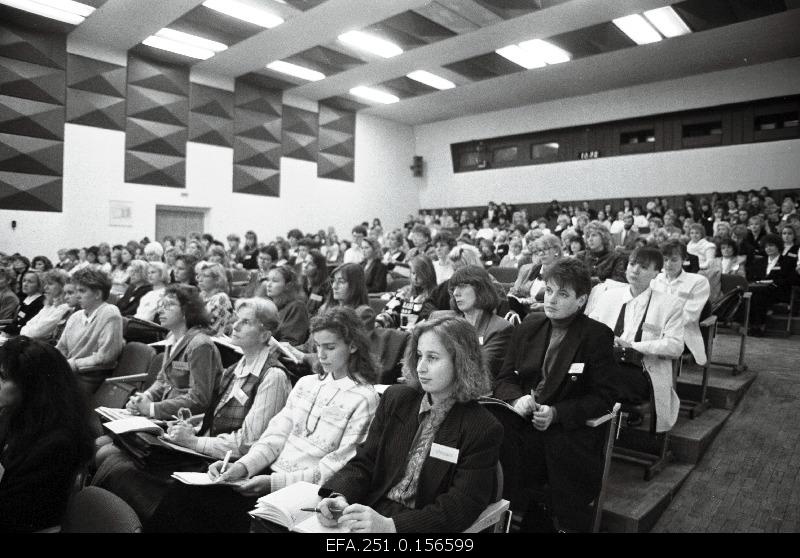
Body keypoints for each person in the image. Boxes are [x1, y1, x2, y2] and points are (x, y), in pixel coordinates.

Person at [146, 306, 380, 532]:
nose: (321, 355)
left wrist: (271, 483)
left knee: (203, 509)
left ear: (353, 346)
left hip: (303, 493)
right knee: (183, 492)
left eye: (330, 347)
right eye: (318, 346)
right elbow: (274, 437)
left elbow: (335, 470)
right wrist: (242, 466)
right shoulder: (307, 383)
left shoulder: (364, 398)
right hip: (269, 475)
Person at [92, 298, 292, 521]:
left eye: (246, 322)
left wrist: (193, 441)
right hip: (207, 452)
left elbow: (247, 444)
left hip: (227, 468)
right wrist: (189, 427)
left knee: (121, 470)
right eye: (236, 319)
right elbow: (214, 416)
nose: (234, 326)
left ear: (265, 335)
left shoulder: (273, 377)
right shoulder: (237, 367)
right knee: (116, 461)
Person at [317, 315, 503, 533]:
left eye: (432, 358)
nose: (421, 367)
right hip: (372, 510)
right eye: (419, 355)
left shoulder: (482, 427)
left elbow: (460, 505)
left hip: (420, 524)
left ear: (462, 362)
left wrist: (391, 526)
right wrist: (340, 496)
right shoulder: (396, 399)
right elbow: (365, 461)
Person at [492, 257, 618, 532]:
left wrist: (557, 413)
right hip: (523, 418)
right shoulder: (529, 326)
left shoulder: (596, 336)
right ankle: (497, 513)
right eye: (549, 291)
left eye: (562, 294)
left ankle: (530, 516)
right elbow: (504, 379)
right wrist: (517, 398)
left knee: (529, 450)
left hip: (567, 428)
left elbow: (604, 398)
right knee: (487, 433)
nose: (551, 299)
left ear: (581, 300)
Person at [585, 246, 684, 433]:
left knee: (595, 384)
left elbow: (676, 346)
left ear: (657, 273)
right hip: (605, 364)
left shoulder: (670, 304)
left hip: (642, 370)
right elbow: (589, 330)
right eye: (632, 264)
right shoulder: (609, 296)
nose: (635, 270)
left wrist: (633, 346)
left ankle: (598, 433)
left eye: (644, 267)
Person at [0, 337, 94, 532]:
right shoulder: (18, 416)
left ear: (32, 385)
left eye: (2, 377)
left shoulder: (57, 444)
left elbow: (13, 513)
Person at [124, 284, 222, 419]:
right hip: (169, 414)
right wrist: (145, 398)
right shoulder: (172, 337)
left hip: (189, 421)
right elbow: (163, 380)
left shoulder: (200, 345)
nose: (160, 310)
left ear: (186, 311)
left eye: (169, 305)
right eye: (161, 304)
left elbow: (199, 399)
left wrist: (152, 408)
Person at [431, 265, 511, 379]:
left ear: (481, 289)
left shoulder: (500, 328)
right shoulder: (440, 320)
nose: (455, 293)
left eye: (462, 286)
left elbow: (479, 369)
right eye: (454, 288)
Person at [55, 268, 124, 395]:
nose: (77, 295)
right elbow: (61, 347)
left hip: (91, 377)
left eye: (82, 291)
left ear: (98, 294)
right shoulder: (75, 316)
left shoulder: (110, 313)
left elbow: (106, 357)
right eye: (76, 291)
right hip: (69, 372)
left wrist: (72, 364)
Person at [651, 241, 711, 366]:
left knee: (649, 342)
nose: (668, 264)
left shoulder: (698, 281)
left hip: (682, 332)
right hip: (655, 328)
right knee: (632, 333)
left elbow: (689, 316)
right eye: (665, 260)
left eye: (674, 260)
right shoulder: (655, 279)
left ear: (683, 259)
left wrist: (661, 324)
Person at [746, 234, 795, 336]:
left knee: (758, 295)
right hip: (760, 290)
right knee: (753, 295)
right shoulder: (760, 261)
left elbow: (788, 279)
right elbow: (752, 277)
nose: (768, 248)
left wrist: (772, 283)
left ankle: (759, 325)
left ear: (778, 246)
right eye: (766, 246)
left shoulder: (786, 261)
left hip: (778, 291)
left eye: (771, 245)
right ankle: (754, 324)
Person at [375, 256, 437, 331]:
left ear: (428, 274)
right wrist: (379, 322)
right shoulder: (405, 292)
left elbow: (430, 322)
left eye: (419, 274)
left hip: (419, 334)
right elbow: (390, 311)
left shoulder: (435, 295)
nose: (415, 278)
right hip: (400, 334)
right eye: (413, 273)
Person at [508, 234, 563, 313]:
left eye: (545, 249)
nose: (541, 253)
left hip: (546, 313)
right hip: (525, 309)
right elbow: (519, 290)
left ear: (556, 250)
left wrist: (543, 306)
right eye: (539, 250)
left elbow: (563, 300)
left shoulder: (563, 271)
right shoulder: (535, 268)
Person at [258, 267, 310, 346]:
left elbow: (291, 342)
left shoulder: (296, 307)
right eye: (268, 280)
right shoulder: (267, 305)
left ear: (288, 285)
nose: (268, 284)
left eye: (274, 281)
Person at [18, 269, 72, 342]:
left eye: (50, 284)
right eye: (45, 284)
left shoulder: (64, 308)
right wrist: (24, 331)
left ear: (62, 286)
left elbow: (35, 333)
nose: (45, 287)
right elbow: (28, 324)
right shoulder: (49, 305)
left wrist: (24, 331)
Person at [3, 270, 45, 337]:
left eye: (30, 282)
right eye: (24, 281)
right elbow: (17, 321)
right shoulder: (25, 298)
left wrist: (7, 332)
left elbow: (26, 325)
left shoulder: (40, 303)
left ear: (39, 285)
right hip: (12, 333)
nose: (25, 284)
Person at [197, 262, 234, 337]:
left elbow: (213, 331)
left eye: (205, 276)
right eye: (199, 276)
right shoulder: (201, 296)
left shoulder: (222, 299)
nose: (200, 279)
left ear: (217, 279)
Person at [300, 249, 331, 317]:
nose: (305, 266)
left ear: (319, 269)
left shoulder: (326, 285)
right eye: (305, 262)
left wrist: (326, 305)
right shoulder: (299, 282)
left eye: (311, 264)